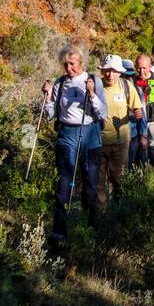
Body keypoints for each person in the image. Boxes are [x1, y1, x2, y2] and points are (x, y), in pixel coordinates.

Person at [41, 44, 106, 243]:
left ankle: (91, 230)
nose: (68, 68)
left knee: (90, 184)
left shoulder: (93, 80)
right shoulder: (60, 83)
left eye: (72, 64)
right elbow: (50, 115)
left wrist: (92, 94)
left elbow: (103, 112)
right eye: (65, 64)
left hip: (90, 134)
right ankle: (59, 232)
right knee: (64, 182)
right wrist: (47, 96)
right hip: (67, 133)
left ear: (81, 63)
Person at [98, 54, 143, 203]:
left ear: (119, 72)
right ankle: (101, 216)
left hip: (121, 142)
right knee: (99, 182)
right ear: (102, 71)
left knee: (119, 180)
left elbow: (138, 109)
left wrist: (137, 113)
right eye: (107, 70)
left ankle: (118, 214)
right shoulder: (96, 87)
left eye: (113, 71)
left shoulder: (126, 86)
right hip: (99, 142)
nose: (110, 74)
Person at [128, 54, 154, 169]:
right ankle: (139, 173)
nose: (141, 71)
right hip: (136, 122)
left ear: (150, 66)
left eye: (144, 68)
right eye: (139, 68)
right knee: (138, 149)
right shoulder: (132, 81)